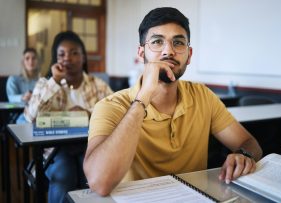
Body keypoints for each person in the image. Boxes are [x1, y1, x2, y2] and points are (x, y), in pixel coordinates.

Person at [83, 7, 263, 196]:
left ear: (189, 55)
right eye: (157, 42)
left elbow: (249, 142)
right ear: (141, 52)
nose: (168, 51)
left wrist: (244, 156)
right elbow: (99, 183)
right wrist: (142, 99)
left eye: (178, 42)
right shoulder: (110, 106)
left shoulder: (203, 96)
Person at [24, 31, 113, 203]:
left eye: (74, 53)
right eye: (61, 54)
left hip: (90, 148)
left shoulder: (99, 86)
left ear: (84, 57)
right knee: (64, 176)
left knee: (94, 177)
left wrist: (88, 114)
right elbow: (30, 117)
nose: (67, 58)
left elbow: (117, 114)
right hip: (55, 151)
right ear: (55, 59)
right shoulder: (45, 83)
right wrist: (54, 83)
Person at [6, 48, 40, 123]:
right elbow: (11, 98)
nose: (31, 61)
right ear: (23, 62)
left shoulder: (41, 80)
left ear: (37, 61)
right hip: (19, 114)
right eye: (27, 58)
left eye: (33, 58)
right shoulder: (13, 79)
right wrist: (22, 97)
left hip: (38, 114)